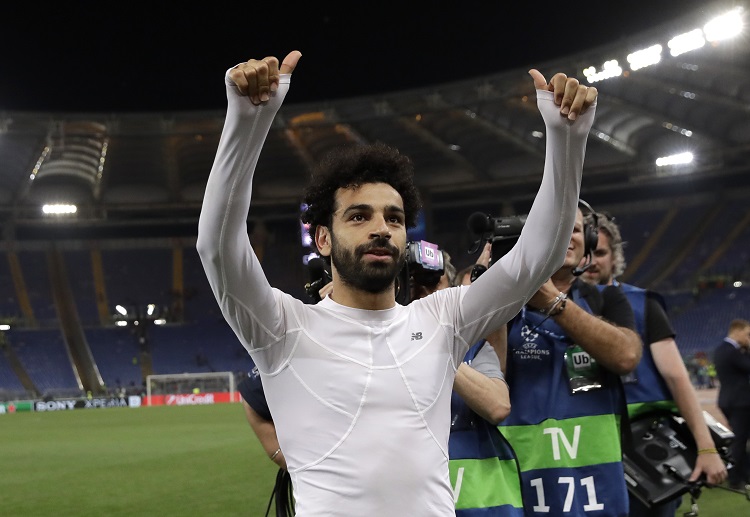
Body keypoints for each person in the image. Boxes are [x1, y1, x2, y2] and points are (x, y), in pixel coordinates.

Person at [197, 49, 597, 515]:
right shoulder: (282, 329)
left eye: (394, 217)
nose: (381, 229)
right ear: (323, 238)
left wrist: (567, 138)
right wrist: (247, 122)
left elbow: (537, 257)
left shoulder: (444, 319)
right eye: (358, 216)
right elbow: (217, 247)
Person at [498, 205, 643, 517]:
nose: (566, 236)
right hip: (523, 475)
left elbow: (626, 356)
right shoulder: (502, 303)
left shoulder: (604, 298)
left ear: (587, 239)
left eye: (574, 229)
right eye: (555, 226)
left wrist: (553, 302)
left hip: (596, 482)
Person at [581, 213, 727, 515]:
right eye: (586, 253)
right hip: (583, 446)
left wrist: (706, 446)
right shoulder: (559, 309)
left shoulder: (642, 304)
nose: (592, 261)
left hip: (644, 449)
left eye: (601, 252)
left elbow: (677, 377)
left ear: (615, 257)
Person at [713, 318, 750, 490]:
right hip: (739, 402)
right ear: (737, 331)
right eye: (747, 334)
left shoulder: (722, 349)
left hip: (730, 400)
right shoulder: (732, 351)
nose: (748, 338)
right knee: (739, 441)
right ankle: (735, 479)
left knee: (741, 439)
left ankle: (744, 474)